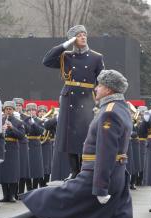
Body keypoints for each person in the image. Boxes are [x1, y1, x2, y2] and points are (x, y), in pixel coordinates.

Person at [0, 70, 142, 218]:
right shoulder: (118, 108)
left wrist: (101, 187)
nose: (95, 88)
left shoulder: (109, 113)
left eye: (99, 85)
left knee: (54, 199)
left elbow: (105, 152)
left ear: (109, 89)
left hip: (98, 174)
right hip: (116, 175)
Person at [43, 24, 105, 179]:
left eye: (84, 34)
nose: (83, 37)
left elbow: (102, 81)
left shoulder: (96, 57)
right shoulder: (66, 56)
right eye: (79, 35)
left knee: (86, 135)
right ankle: (74, 170)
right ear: (72, 39)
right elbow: (47, 60)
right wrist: (64, 46)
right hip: (69, 98)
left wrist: (100, 101)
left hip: (86, 99)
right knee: (69, 135)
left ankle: (86, 169)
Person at [0, 101, 25, 202]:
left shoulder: (18, 122)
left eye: (10, 109)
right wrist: (1, 130)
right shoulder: (0, 120)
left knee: (13, 172)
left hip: (13, 148)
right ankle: (5, 196)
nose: (8, 111)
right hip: (2, 148)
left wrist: (12, 127)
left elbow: (21, 136)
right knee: (3, 172)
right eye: (6, 109)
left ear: (13, 110)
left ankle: (12, 195)